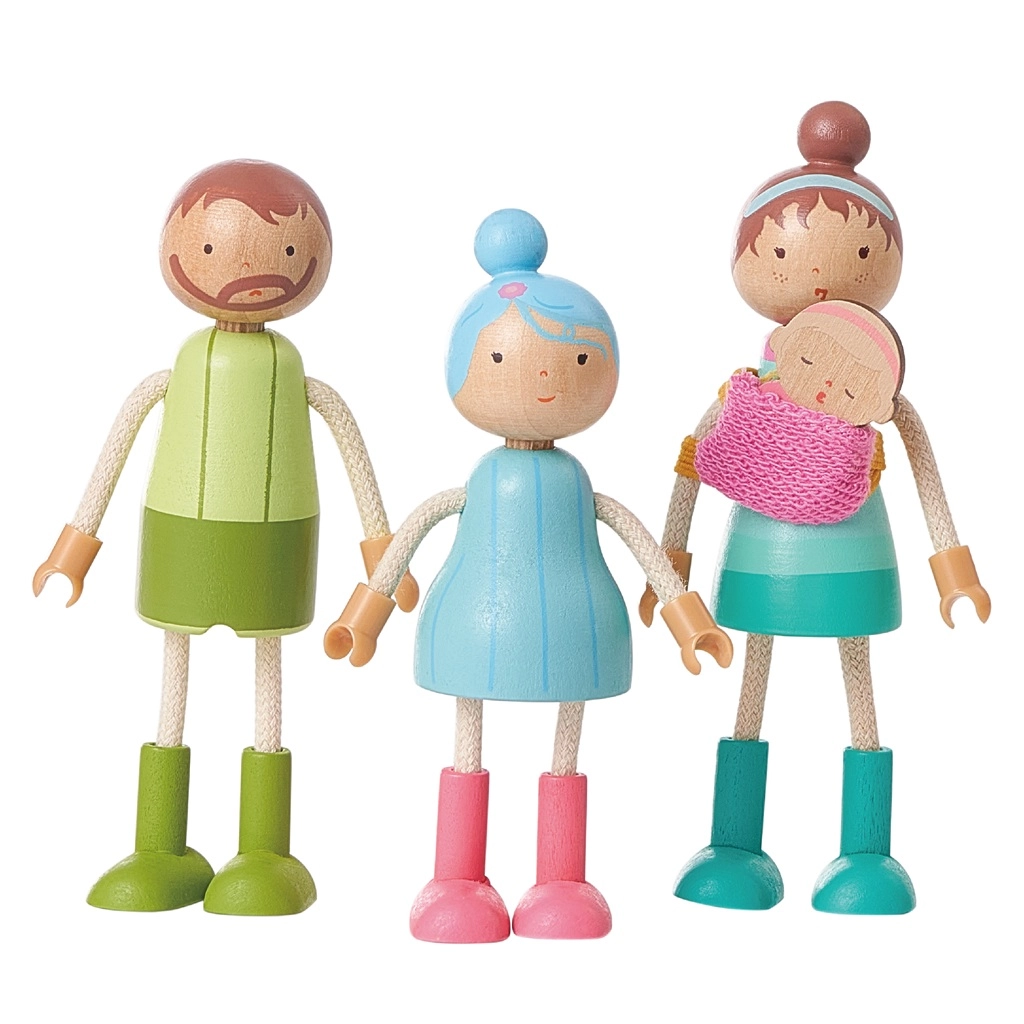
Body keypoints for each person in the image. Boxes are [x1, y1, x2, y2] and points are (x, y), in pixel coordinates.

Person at [325, 208, 732, 941]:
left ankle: (560, 880)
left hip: (575, 623)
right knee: (469, 741)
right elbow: (419, 526)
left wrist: (689, 623)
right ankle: (456, 878)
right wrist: (365, 618)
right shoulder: (485, 481)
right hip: (474, 620)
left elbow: (636, 540)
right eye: (503, 359)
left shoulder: (576, 484)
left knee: (564, 750)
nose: (544, 378)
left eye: (575, 363)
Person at [33, 159, 415, 916]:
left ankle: (266, 851)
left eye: (284, 252)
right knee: (172, 685)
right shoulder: (179, 370)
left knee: (265, 683)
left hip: (275, 542)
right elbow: (115, 451)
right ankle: (159, 847)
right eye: (211, 249)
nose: (248, 271)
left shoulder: (295, 376)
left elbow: (353, 453)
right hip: (181, 536)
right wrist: (73, 551)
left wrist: (383, 558)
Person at [642, 102, 990, 915]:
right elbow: (697, 458)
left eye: (861, 252)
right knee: (751, 684)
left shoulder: (875, 387)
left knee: (856, 684)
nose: (822, 273)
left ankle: (866, 852)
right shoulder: (748, 389)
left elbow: (922, 459)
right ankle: (734, 844)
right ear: (751, 262)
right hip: (762, 556)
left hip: (851, 549)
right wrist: (671, 567)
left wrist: (953, 571)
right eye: (781, 250)